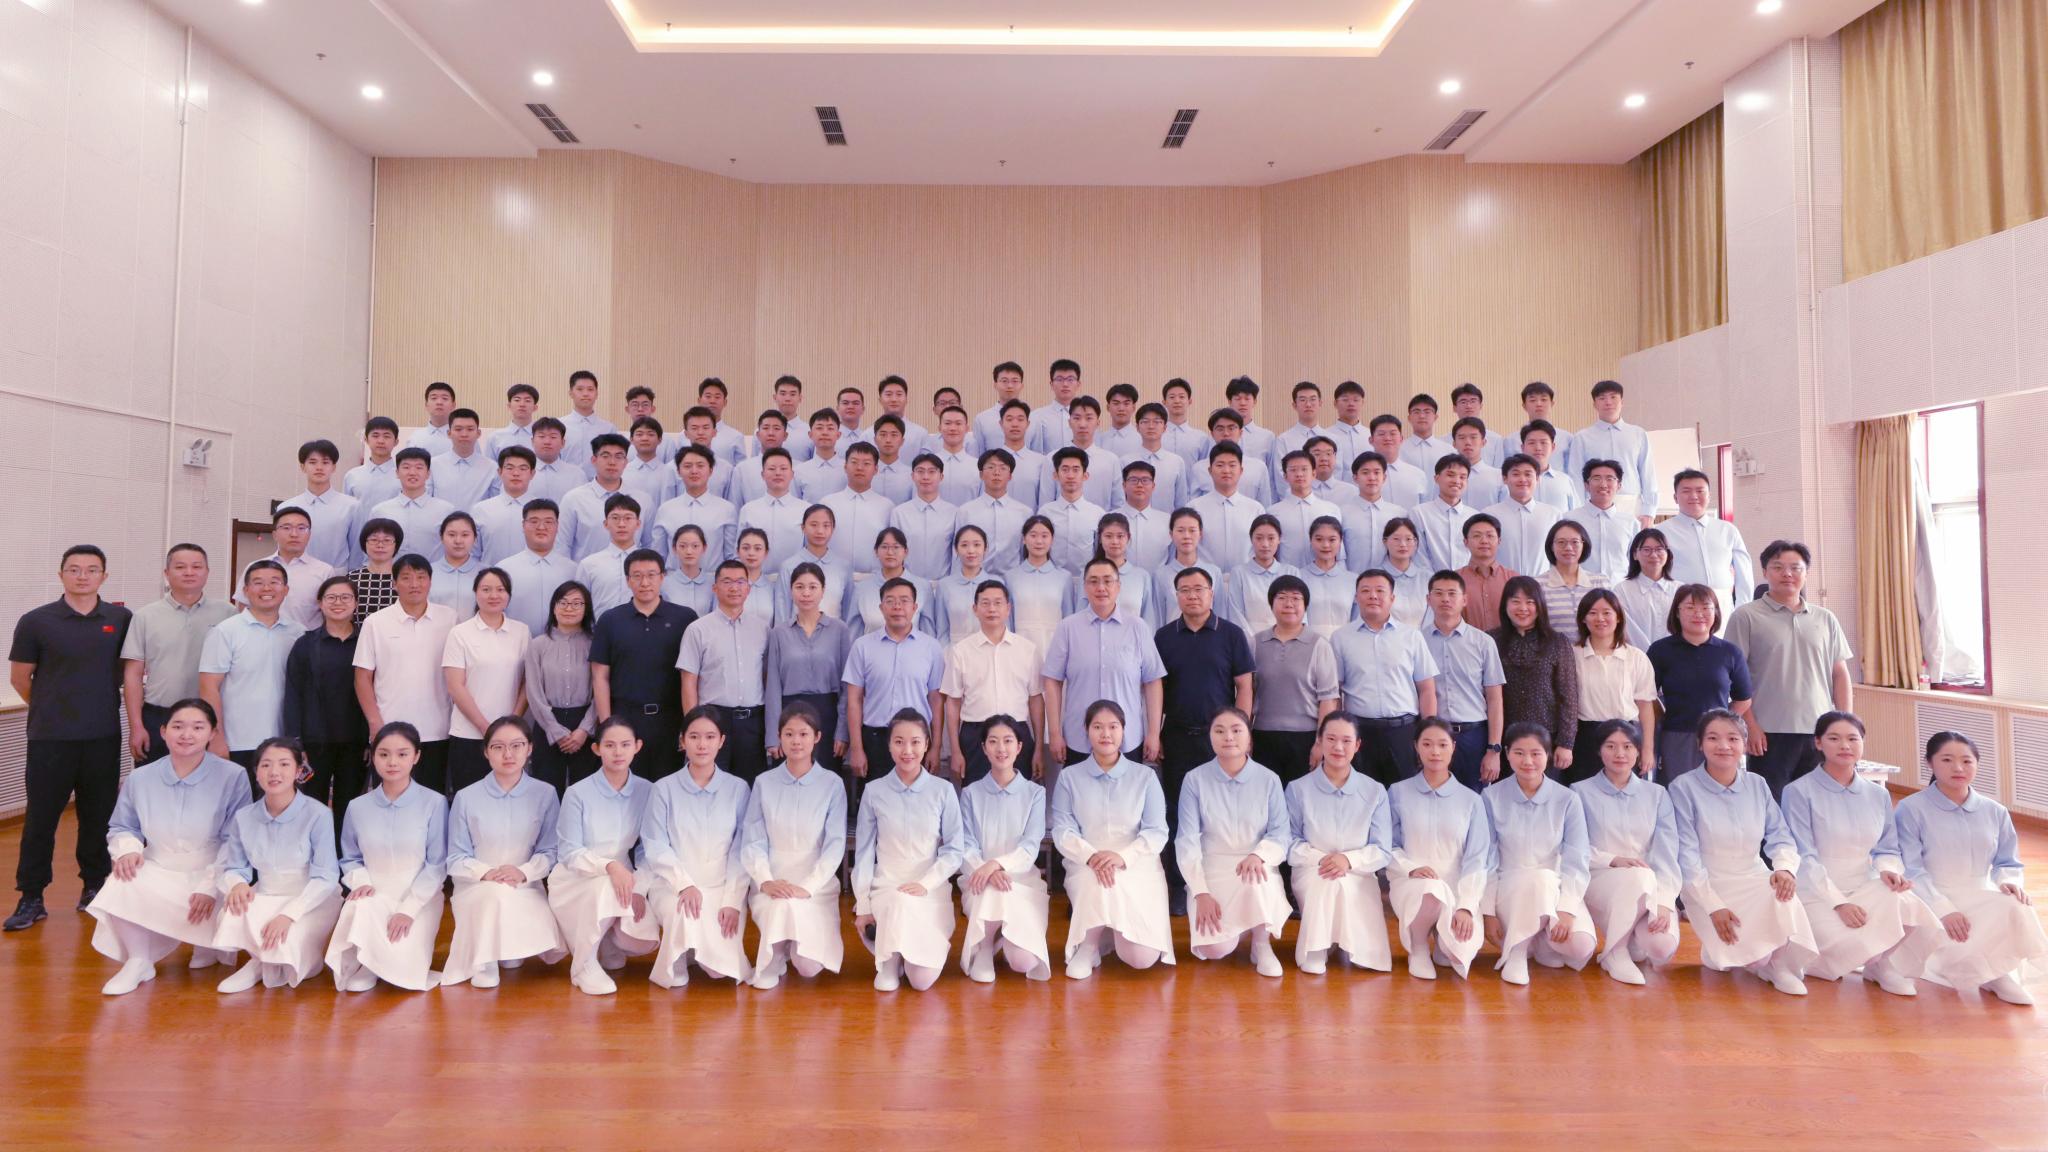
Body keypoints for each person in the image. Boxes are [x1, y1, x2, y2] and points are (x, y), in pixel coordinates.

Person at [83, 698, 247, 995]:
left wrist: (210, 886)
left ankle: (206, 943)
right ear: (163, 731)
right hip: (159, 865)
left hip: (211, 870)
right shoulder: (140, 777)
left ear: (212, 733)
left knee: (228, 897)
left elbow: (235, 839)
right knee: (120, 881)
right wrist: (129, 850)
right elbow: (122, 826)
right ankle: (139, 960)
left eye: (198, 727)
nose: (187, 735)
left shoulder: (233, 776)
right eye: (178, 726)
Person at [1781, 712, 1939, 996]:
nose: (1845, 745)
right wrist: (1839, 903)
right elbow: (1804, 857)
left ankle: (1880, 966)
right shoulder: (1798, 791)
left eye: (1853, 739)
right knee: (1846, 941)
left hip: (1864, 884)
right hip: (1817, 891)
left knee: (1908, 904)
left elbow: (1887, 847)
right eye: (1834, 738)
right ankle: (1828, 961)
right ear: (1818, 743)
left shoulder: (1877, 795)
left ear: (1862, 743)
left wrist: (1889, 870)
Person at [1669, 709, 1818, 996]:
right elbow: (1686, 856)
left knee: (1782, 892)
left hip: (1753, 875)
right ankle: (1735, 954)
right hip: (1708, 882)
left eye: (1733, 738)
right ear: (1700, 744)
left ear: (1744, 744)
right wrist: (1713, 906)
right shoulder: (1683, 788)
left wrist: (1784, 868)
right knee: (1753, 958)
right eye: (1713, 738)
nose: (1724, 746)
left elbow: (1780, 834)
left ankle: (1777, 967)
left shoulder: (1757, 784)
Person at [1895, 731, 2047, 1006]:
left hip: (1979, 892)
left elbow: (2008, 862)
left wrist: (2009, 881)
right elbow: (1911, 869)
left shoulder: (1995, 811)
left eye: (1967, 761)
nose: (1958, 768)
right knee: (1955, 928)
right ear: (1930, 763)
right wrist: (1943, 908)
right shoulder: (1911, 808)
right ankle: (1983, 971)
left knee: (2016, 904)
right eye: (1947, 760)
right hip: (1930, 895)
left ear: (1977, 764)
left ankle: (1997, 973)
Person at [440, 716, 567, 988]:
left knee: (511, 942)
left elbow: (551, 850)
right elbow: (455, 857)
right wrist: (487, 873)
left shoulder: (545, 794)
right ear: (486, 752)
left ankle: (508, 946)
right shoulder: (466, 797)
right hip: (476, 885)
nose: (508, 754)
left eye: (516, 745)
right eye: (498, 747)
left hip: (525, 884)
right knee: (493, 894)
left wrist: (523, 872)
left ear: (529, 748)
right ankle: (484, 960)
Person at [1052, 700, 1175, 980]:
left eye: (1113, 727)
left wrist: (1123, 857)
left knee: (1140, 959)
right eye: (1097, 727)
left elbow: (1157, 831)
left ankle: (1111, 931)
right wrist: (1091, 856)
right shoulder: (1069, 777)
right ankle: (1088, 946)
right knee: (1098, 880)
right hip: (1086, 860)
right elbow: (1063, 830)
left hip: (1137, 862)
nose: (1105, 733)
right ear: (1087, 731)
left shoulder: (1145, 776)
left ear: (1123, 731)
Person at [211, 738, 344, 993]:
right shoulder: (244, 817)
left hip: (311, 898)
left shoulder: (318, 814)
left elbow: (326, 876)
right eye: (266, 765)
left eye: (284, 764)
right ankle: (258, 962)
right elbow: (235, 867)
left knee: (289, 944)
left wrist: (289, 914)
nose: (274, 772)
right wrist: (237, 884)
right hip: (265, 893)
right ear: (256, 771)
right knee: (233, 910)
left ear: (298, 771)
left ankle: (278, 961)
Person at [1725, 540, 1853, 799]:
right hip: (1768, 732)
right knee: (1770, 805)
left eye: (1796, 568)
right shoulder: (1746, 616)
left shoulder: (1825, 618)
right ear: (1765, 572)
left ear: (1806, 573)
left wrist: (1845, 724)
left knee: (1817, 804)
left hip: (1819, 729)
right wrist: (1750, 725)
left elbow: (1839, 674)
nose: (1787, 574)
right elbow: (1735, 678)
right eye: (1778, 567)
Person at [640, 710, 756, 989]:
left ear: (721, 741)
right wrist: (684, 885)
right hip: (674, 885)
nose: (702, 744)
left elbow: (742, 849)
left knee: (718, 971)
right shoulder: (663, 789)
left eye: (710, 737)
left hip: (721, 886)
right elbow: (655, 845)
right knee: (684, 914)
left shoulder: (738, 789)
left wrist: (732, 900)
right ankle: (679, 955)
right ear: (682, 741)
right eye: (694, 737)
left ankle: (695, 949)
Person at [852, 709, 964, 992]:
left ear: (927, 744)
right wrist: (863, 904)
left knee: (921, 981)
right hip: (886, 888)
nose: (907, 750)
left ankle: (904, 956)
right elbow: (863, 854)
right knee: (897, 900)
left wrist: (926, 883)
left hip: (929, 890)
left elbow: (954, 851)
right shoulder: (874, 791)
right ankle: (889, 962)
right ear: (889, 745)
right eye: (899, 742)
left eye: (915, 742)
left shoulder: (943, 790)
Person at [547, 716, 659, 996]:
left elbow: (649, 847)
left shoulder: (647, 790)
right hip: (576, 876)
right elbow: (569, 851)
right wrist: (609, 866)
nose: (618, 752)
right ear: (596, 749)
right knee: (605, 887)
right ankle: (583, 965)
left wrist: (640, 887)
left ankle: (606, 939)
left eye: (625, 744)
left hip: (624, 875)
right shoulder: (577, 793)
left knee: (639, 937)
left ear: (637, 746)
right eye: (609, 745)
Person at [1178, 708, 1292, 978]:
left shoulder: (1269, 779)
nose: (1228, 737)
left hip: (1253, 864)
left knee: (1257, 876)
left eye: (1236, 730)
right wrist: (1200, 892)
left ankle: (1261, 944)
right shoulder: (1194, 779)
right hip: (1212, 867)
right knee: (1214, 950)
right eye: (1219, 731)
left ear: (1249, 737)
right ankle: (1240, 929)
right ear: (1210, 737)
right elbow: (1186, 841)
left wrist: (1260, 855)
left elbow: (1280, 834)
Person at [742, 705, 849, 990]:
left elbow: (835, 844)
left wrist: (809, 886)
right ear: (779, 737)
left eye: (803, 734)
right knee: (781, 905)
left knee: (809, 967)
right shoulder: (764, 782)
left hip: (816, 884)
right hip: (774, 878)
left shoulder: (832, 784)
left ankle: (790, 947)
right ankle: (773, 957)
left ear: (817, 737)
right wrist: (765, 880)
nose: (796, 741)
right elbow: (753, 840)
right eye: (789, 734)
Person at [1480, 724, 1596, 985]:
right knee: (1538, 878)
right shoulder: (1491, 797)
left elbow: (1577, 858)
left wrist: (1567, 909)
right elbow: (1485, 858)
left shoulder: (1567, 799)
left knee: (1581, 946)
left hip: (1553, 889)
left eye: (1536, 753)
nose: (1528, 761)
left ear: (1548, 754)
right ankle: (1517, 952)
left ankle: (1539, 941)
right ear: (1507, 754)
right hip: (1508, 890)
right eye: (1519, 753)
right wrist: (1487, 912)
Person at [1570, 720, 1682, 985]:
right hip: (1598, 878)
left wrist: (1665, 902)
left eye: (1628, 746)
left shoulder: (1657, 794)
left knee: (1661, 947)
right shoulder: (1579, 792)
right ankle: (1614, 952)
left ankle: (1631, 934)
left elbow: (1667, 853)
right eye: (1610, 746)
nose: (1619, 753)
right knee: (1637, 876)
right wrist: (1613, 860)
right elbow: (1573, 847)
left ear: (1638, 751)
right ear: (1599, 751)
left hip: (1649, 884)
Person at [1283, 713, 1392, 974]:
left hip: (1358, 871)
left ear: (1358, 745)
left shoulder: (1374, 791)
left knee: (1342, 882)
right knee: (1327, 880)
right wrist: (1321, 859)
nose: (1338, 747)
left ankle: (1340, 942)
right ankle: (1316, 949)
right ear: (1319, 741)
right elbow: (1289, 842)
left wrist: (1348, 860)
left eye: (1346, 740)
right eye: (1331, 739)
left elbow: (1382, 850)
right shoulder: (1298, 788)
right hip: (1312, 869)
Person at [1386, 719, 1492, 981]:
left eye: (1442, 745)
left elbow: (1477, 858)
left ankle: (1442, 939)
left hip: (1455, 887)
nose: (1435, 752)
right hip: (1412, 883)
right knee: (1430, 890)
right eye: (1427, 744)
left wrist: (1466, 906)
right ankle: (1418, 946)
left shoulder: (1471, 800)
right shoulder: (1397, 792)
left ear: (1453, 747)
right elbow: (1387, 844)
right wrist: (1410, 868)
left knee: (1456, 953)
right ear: (1416, 747)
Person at [1043, 559, 1167, 769]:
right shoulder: (1067, 628)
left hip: (1128, 737)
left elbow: (1153, 681)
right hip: (1078, 737)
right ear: (1085, 587)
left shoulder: (1137, 627)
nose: (1101, 587)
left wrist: (1153, 733)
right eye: (1093, 581)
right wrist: (1054, 733)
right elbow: (1052, 680)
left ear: (1118, 586)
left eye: (1108, 581)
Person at [120, 545, 239, 764]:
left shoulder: (228, 613)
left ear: (207, 572)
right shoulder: (145, 616)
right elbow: (133, 675)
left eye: (197, 566)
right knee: (156, 781)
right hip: (159, 716)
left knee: (210, 782)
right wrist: (136, 727)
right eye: (180, 567)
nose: (189, 572)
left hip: (212, 718)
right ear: (166, 573)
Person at [352, 555, 459, 794]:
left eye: (421, 577)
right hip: (389, 727)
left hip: (437, 728)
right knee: (389, 797)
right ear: (394, 583)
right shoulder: (376, 622)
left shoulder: (449, 618)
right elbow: (362, 677)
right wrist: (374, 722)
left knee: (433, 797)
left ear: (430, 582)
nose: (414, 584)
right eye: (407, 578)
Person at [957, 715, 1052, 983]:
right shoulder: (971, 793)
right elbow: (966, 845)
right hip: (979, 880)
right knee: (990, 890)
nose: (1001, 748)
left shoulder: (1034, 793)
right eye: (993, 742)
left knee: (1023, 962)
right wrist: (986, 871)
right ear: (984, 748)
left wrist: (997, 865)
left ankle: (1002, 936)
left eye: (1008, 741)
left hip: (1021, 881)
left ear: (1019, 747)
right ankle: (985, 947)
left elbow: (1030, 846)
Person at [590, 547, 696, 782]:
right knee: (626, 786)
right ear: (628, 580)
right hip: (626, 717)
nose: (644, 582)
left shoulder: (685, 618)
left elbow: (693, 676)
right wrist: (607, 725)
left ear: (662, 577)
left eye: (651, 575)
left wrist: (690, 726)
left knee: (669, 786)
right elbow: (599, 677)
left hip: (670, 719)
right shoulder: (610, 620)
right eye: (637, 576)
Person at [198, 559, 305, 781]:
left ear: (286, 590)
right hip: (238, 742)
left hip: (284, 742)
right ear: (246, 590)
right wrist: (216, 738)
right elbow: (209, 687)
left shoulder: (298, 633)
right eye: (258, 583)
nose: (266, 588)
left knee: (278, 800)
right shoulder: (226, 632)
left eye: (274, 582)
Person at [1329, 570, 1440, 785]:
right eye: (1366, 591)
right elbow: (1335, 692)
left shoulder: (1411, 636)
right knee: (1362, 794)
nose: (1373, 596)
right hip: (1360, 732)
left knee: (1405, 794)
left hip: (1404, 732)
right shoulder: (1341, 638)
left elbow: (1427, 689)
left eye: (1380, 591)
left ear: (1392, 598)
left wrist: (1428, 734)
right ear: (1356, 597)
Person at [842, 578, 946, 799]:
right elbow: (854, 700)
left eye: (904, 601)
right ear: (881, 607)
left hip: (917, 742)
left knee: (916, 804)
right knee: (875, 805)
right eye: (890, 601)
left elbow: (936, 700)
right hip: (875, 739)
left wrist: (936, 747)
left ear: (915, 607)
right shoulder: (862, 646)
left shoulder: (932, 647)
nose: (897, 606)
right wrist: (857, 748)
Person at [1646, 584, 1757, 784]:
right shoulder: (1660, 650)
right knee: (1678, 789)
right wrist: (1663, 717)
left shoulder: (1729, 652)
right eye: (1690, 607)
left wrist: (1721, 722)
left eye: (1706, 607)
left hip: (1718, 738)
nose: (1699, 614)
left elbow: (1743, 698)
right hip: (1677, 736)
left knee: (1718, 789)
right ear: (1677, 612)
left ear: (1716, 612)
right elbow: (1646, 696)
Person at [678, 560, 774, 780]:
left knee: (749, 785)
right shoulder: (698, 629)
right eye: (727, 581)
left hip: (752, 722)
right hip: (713, 719)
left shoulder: (762, 629)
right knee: (709, 782)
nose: (734, 587)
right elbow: (688, 682)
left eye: (740, 582)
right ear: (715, 587)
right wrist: (692, 727)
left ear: (748, 588)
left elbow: (767, 677)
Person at [941, 582, 1045, 784]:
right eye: (985, 603)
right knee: (975, 796)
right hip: (975, 735)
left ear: (1008, 608)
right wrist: (955, 750)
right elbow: (952, 702)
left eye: (998, 603)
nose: (991, 609)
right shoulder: (961, 651)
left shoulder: (1027, 649)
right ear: (975, 609)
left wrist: (1039, 748)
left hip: (1016, 733)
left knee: (1018, 796)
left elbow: (1036, 699)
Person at [282, 576, 367, 815]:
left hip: (356, 742)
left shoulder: (367, 641)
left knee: (349, 808)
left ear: (356, 603)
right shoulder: (305, 644)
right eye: (331, 597)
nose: (338, 602)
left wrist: (372, 739)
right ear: (320, 603)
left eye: (345, 597)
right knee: (311, 806)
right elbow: (293, 693)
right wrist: (296, 742)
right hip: (314, 742)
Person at [440, 568, 530, 794]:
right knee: (469, 797)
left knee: (509, 796)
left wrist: (512, 723)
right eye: (486, 589)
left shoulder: (521, 631)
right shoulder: (460, 633)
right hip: (469, 734)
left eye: (500, 590)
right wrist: (486, 728)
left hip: (511, 737)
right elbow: (455, 686)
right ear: (476, 593)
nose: (493, 595)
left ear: (508, 595)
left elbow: (527, 683)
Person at [764, 563, 853, 777]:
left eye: (813, 587)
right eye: (799, 587)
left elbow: (847, 687)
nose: (806, 593)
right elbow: (773, 687)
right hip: (789, 715)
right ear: (791, 590)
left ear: (823, 591)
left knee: (826, 779)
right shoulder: (779, 633)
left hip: (828, 714)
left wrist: (843, 731)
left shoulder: (839, 630)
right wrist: (773, 735)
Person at [1250, 576, 1341, 785]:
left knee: (1302, 796)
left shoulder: (1319, 644)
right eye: (1281, 598)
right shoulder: (1256, 642)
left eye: (1296, 598)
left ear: (1305, 606)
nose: (1289, 604)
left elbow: (1328, 699)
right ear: (1271, 604)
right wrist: (1246, 735)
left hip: (1305, 738)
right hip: (1263, 736)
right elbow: (1248, 692)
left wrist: (1321, 742)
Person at [1422, 571, 1505, 791]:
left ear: (1464, 600)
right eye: (1438, 593)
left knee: (1474, 799)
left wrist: (1494, 749)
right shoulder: (1417, 641)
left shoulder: (1483, 642)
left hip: (1474, 736)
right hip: (1435, 737)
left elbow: (1495, 699)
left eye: (1452, 593)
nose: (1445, 599)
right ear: (1428, 599)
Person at [1492, 575, 1579, 777]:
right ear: (1505, 605)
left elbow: (1569, 696)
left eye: (1530, 602)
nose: (1523, 608)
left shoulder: (1557, 642)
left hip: (1547, 738)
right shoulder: (1491, 640)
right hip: (1504, 738)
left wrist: (1566, 743)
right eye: (1515, 601)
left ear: (1540, 606)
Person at [1571, 589, 1658, 783]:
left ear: (1618, 617)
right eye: (1593, 613)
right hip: (1585, 737)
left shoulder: (1636, 657)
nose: (1600, 618)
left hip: (1626, 736)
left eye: (1607, 613)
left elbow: (1646, 707)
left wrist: (1647, 749)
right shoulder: (1572, 655)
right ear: (1583, 619)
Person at [524, 581, 597, 792]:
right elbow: (534, 692)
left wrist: (585, 729)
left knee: (584, 790)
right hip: (547, 722)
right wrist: (554, 729)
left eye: (576, 603)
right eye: (563, 602)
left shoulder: (595, 643)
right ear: (553, 607)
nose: (569, 608)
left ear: (586, 609)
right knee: (546, 789)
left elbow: (601, 689)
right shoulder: (538, 644)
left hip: (585, 723)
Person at [1662, 469, 1753, 618]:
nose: (1694, 496)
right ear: (1675, 497)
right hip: (1680, 606)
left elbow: (1744, 573)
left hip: (1723, 605)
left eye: (1700, 491)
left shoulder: (1727, 529)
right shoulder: (1662, 532)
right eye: (1686, 491)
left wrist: (1743, 609)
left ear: (1709, 496)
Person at [1568, 380, 1657, 525]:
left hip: (1631, 504)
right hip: (1594, 504)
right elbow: (1576, 476)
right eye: (1602, 398)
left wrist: (1649, 511)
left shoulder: (1638, 434)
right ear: (1595, 404)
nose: (1608, 402)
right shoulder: (1582, 437)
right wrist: (1579, 510)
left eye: (1613, 397)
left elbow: (1648, 473)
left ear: (1622, 402)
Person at [498, 500, 580, 635]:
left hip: (563, 645)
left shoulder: (573, 570)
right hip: (514, 644)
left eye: (548, 522)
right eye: (534, 521)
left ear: (557, 526)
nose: (541, 527)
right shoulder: (504, 569)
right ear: (523, 525)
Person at [364, 447, 457, 565]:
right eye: (406, 467)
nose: (412, 473)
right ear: (397, 473)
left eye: (419, 467)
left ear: (428, 473)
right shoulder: (380, 511)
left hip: (433, 574)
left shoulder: (446, 511)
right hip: (390, 574)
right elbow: (369, 552)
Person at [248, 506, 334, 630]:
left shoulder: (325, 571)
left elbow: (330, 614)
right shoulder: (255, 568)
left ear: (309, 535)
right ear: (274, 535)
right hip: (262, 637)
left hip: (306, 639)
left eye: (301, 528)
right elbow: (243, 606)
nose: (294, 534)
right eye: (286, 528)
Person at [1217, 516, 1299, 639]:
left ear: (1279, 539)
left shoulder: (1291, 572)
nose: (1265, 544)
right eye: (1259, 538)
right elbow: (1236, 615)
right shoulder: (1239, 573)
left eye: (1271, 538)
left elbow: (1299, 612)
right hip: (1250, 642)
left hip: (1287, 641)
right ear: (1251, 539)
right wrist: (1253, 642)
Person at [843, 527, 933, 639]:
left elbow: (929, 634)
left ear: (905, 552)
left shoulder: (923, 587)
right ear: (876, 551)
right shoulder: (862, 589)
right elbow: (853, 634)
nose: (890, 552)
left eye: (896, 547)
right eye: (884, 547)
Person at [956, 447, 1034, 574]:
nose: (996, 472)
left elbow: (1025, 552)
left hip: (1012, 579)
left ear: (1010, 476)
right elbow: (958, 553)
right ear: (981, 474)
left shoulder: (1025, 513)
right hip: (976, 579)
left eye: (1003, 468)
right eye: (991, 467)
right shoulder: (966, 511)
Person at [821, 444, 895, 577]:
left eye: (866, 463)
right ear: (845, 466)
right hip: (831, 576)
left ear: (876, 469)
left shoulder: (887, 506)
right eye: (854, 462)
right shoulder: (827, 503)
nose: (860, 468)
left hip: (874, 578)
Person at [1187, 442, 1263, 571]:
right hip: (1204, 578)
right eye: (1220, 465)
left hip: (1245, 577)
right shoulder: (1194, 508)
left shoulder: (1256, 509)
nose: (1226, 471)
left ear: (1241, 470)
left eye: (1232, 465)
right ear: (1210, 471)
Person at [1483, 456, 1560, 576]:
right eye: (1516, 474)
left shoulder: (1553, 515)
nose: (1522, 479)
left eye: (1528, 474)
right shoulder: (1489, 514)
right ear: (1504, 479)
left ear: (1537, 478)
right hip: (1502, 583)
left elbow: (1558, 556)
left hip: (1542, 584)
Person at [1535, 520, 1609, 644]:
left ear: (1584, 545)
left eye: (1575, 542)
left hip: (1595, 654)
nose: (1568, 548)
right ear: (1551, 546)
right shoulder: (1538, 585)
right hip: (1553, 655)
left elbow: (1613, 624)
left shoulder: (1600, 582)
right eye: (1561, 542)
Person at [776, 504, 851, 624]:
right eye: (814, 525)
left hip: (834, 634)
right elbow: (782, 612)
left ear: (833, 529)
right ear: (803, 527)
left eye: (826, 525)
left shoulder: (843, 567)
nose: (820, 531)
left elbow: (848, 611)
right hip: (797, 633)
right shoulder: (789, 566)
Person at [890, 454, 960, 581]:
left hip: (942, 583)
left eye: (932, 472)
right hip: (907, 584)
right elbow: (894, 551)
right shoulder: (899, 513)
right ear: (912, 476)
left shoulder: (954, 513)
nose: (926, 477)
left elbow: (957, 554)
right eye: (920, 471)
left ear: (941, 476)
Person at [576, 494, 646, 618]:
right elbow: (579, 604)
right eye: (615, 518)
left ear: (638, 524)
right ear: (605, 524)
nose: (621, 524)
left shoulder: (650, 564)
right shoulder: (589, 564)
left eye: (628, 518)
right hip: (600, 629)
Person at [1340, 453, 1410, 573]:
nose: (1372, 478)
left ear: (1384, 477)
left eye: (1377, 472)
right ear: (1355, 478)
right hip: (1352, 580)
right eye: (1365, 472)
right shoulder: (1342, 513)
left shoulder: (1399, 513)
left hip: (1391, 581)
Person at [928, 524, 998, 646]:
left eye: (977, 545)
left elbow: (1004, 625)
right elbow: (942, 630)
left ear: (985, 548)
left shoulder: (997, 583)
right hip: (956, 650)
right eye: (964, 545)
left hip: (990, 649)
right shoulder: (945, 585)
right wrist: (947, 654)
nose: (971, 551)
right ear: (956, 549)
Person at [1565, 460, 1635, 580]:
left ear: (1619, 485)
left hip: (1618, 589)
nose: (1603, 484)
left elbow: (1635, 562)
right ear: (1586, 485)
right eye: (1596, 478)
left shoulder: (1631, 523)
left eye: (1610, 479)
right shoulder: (1569, 519)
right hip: (1580, 588)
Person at [739, 448, 807, 572]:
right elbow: (739, 551)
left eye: (783, 468)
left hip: (795, 579)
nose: (778, 473)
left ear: (792, 474)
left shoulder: (805, 510)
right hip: (755, 578)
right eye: (771, 469)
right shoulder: (749, 510)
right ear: (762, 474)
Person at [1412, 456, 1480, 573]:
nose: (1457, 481)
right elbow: (1419, 555)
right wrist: (1436, 580)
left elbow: (1477, 554)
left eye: (1462, 477)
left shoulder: (1475, 516)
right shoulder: (1419, 513)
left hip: (1467, 581)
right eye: (1450, 475)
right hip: (1430, 581)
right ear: (1436, 478)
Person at [1614, 528, 1678, 650]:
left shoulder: (1680, 589)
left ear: (1667, 554)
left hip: (1675, 657)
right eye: (1646, 550)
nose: (1653, 555)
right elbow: (1627, 630)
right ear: (1635, 554)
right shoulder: (1622, 590)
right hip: (1636, 656)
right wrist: (1648, 655)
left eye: (1659, 549)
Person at [1090, 515, 1159, 626]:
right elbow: (1080, 616)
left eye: (1120, 536)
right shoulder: (1090, 574)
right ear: (1100, 538)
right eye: (1108, 536)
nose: (1114, 541)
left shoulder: (1141, 576)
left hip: (1133, 636)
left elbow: (1148, 621)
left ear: (1128, 538)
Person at [1454, 513, 1517, 633]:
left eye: (1490, 536)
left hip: (1507, 644)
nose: (1484, 541)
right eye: (1477, 536)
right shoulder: (1454, 580)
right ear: (1465, 542)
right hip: (1467, 644)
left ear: (1499, 541)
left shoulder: (1513, 579)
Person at [431, 408, 497, 510]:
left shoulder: (492, 467)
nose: (464, 434)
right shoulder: (433, 465)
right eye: (458, 429)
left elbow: (495, 503)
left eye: (470, 429)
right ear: (449, 433)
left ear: (478, 433)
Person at [345, 518, 403, 624]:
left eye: (387, 540)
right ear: (364, 544)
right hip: (359, 634)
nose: (380, 545)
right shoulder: (351, 578)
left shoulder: (404, 579)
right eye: (374, 540)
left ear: (396, 545)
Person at [557, 369, 617, 471]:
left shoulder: (609, 429)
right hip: (566, 479)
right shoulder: (559, 425)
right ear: (570, 393)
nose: (585, 394)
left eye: (590, 389)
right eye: (580, 389)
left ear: (596, 394)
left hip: (599, 480)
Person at [429, 512, 483, 620]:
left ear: (475, 538)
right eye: (451, 535)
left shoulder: (486, 573)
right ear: (441, 537)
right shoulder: (428, 572)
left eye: (465, 535)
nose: (458, 541)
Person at [1379, 518, 1430, 627]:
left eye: (1408, 539)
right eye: (1396, 539)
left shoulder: (1428, 578)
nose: (1403, 544)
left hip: (1421, 636)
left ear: (1415, 542)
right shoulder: (1375, 578)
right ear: (1385, 541)